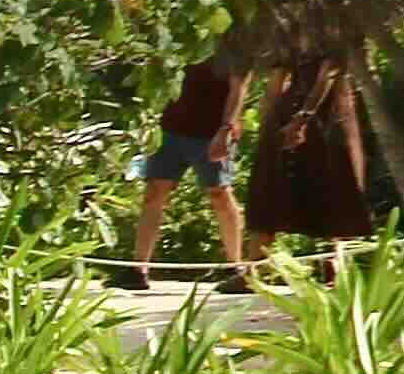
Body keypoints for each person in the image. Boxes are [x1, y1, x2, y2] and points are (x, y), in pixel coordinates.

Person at [244, 46, 379, 257]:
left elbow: (327, 76)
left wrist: (302, 119)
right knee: (267, 189)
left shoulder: (333, 30)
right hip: (288, 113)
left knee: (335, 192)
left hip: (329, 118)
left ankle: (337, 270)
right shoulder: (290, 32)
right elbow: (276, 82)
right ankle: (253, 268)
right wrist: (268, 122)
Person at [132, 53, 257, 278]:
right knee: (154, 191)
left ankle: (235, 266)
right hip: (171, 126)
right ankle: (139, 267)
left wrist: (226, 129)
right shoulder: (184, 33)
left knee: (219, 193)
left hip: (212, 131)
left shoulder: (237, 43)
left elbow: (239, 88)